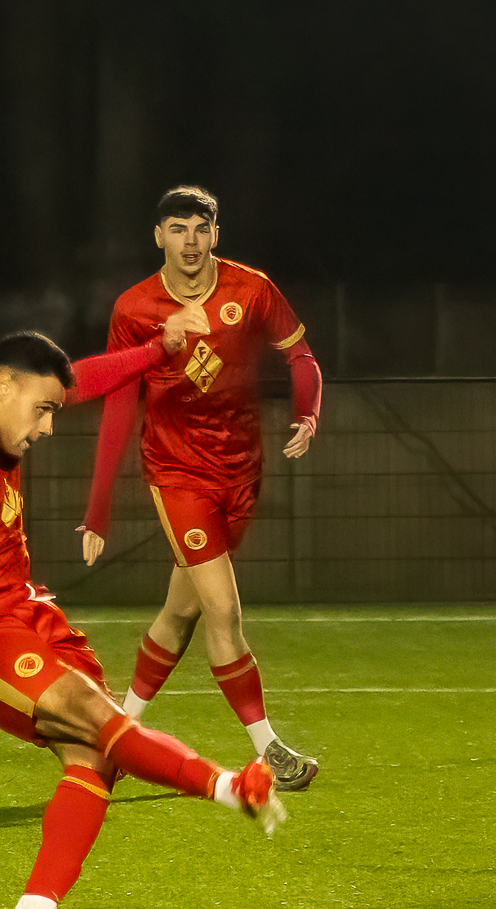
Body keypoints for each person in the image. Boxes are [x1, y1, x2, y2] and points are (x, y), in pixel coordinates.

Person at [0, 330, 287, 909]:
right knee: (99, 719)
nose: (48, 428)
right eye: (42, 411)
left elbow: (81, 379)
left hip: (24, 610)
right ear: (3, 387)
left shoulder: (0, 411)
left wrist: (156, 350)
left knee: (96, 753)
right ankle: (228, 785)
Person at [80, 185, 322, 793]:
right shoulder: (135, 308)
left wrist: (308, 411)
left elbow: (301, 357)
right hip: (177, 473)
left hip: (241, 471)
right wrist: (98, 511)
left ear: (216, 233)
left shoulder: (252, 290)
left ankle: (114, 739)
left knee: (180, 612)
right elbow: (118, 405)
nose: (189, 241)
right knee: (223, 609)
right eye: (177, 229)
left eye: (200, 229)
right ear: (157, 236)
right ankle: (270, 751)